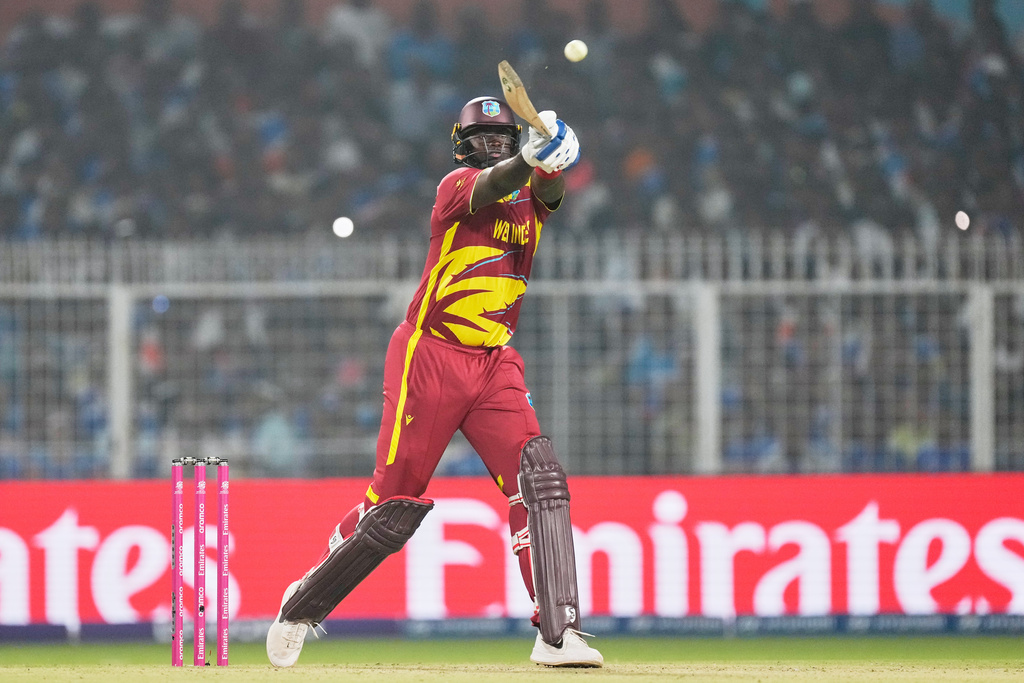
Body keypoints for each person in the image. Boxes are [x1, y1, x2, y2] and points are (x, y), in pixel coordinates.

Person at [266, 96, 602, 668]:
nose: (494, 141)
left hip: (494, 361)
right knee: (392, 507)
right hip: (430, 355)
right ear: (463, 145)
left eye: (503, 133)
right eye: (484, 136)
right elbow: (498, 181)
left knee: (539, 480)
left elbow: (545, 196)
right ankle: (302, 604)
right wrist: (529, 157)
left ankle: (558, 634)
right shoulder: (457, 188)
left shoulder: (529, 201)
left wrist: (553, 166)